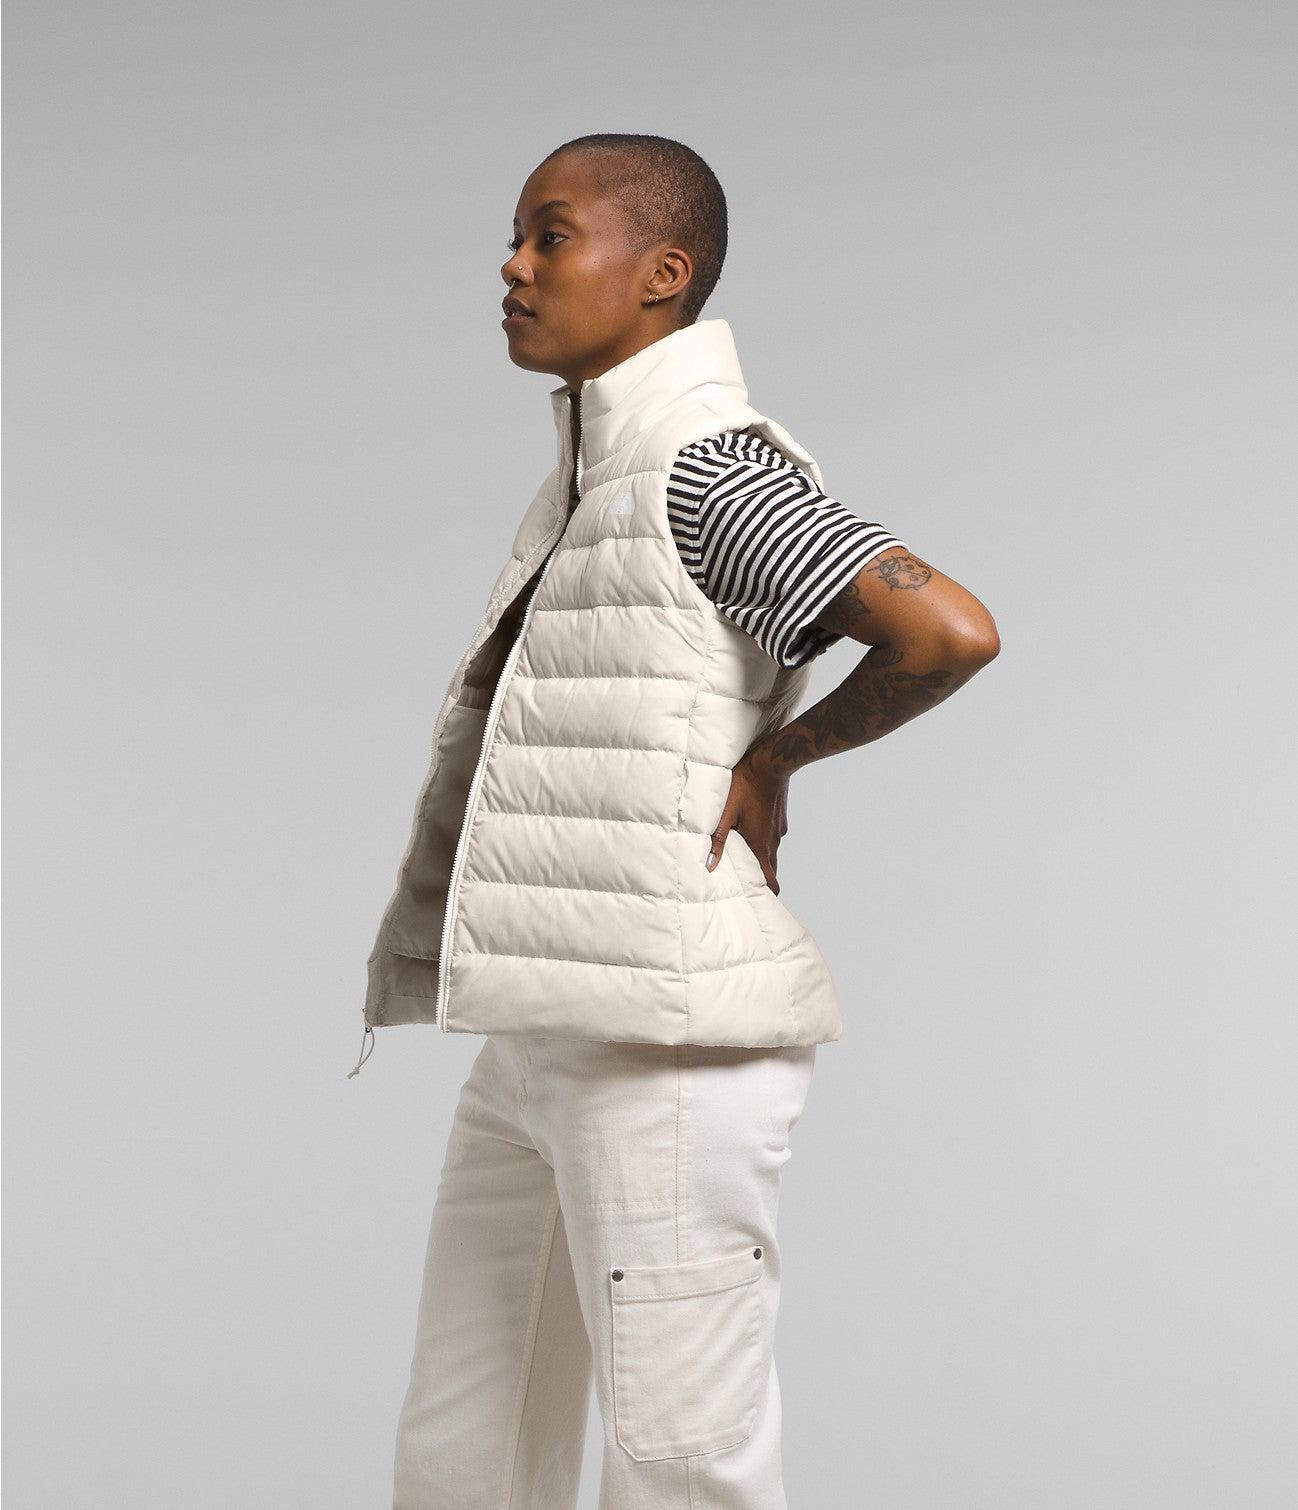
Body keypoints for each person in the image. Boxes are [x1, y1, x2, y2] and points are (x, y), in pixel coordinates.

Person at [357, 132, 1000, 1509]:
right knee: (464, 1446)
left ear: (662, 273)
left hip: (669, 1047)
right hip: (545, 1022)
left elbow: (946, 629)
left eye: (549, 235)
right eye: (515, 238)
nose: (513, 267)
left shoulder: (705, 472)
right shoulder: (596, 475)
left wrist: (782, 758)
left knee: (681, 1463)